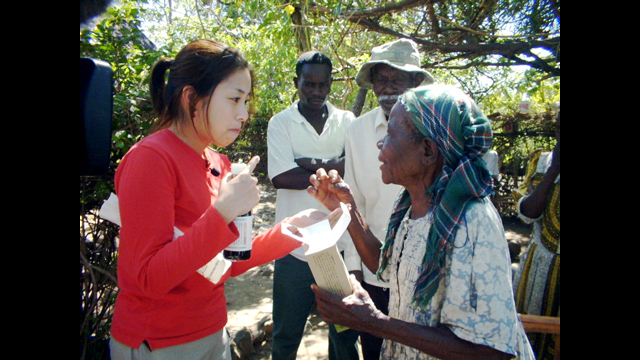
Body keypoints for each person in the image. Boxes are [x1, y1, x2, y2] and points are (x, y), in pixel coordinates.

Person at [109, 39, 332, 360]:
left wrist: (291, 230)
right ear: (191, 98)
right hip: (156, 342)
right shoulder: (151, 159)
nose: (243, 115)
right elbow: (148, 279)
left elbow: (222, 266)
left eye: (246, 101)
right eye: (234, 99)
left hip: (213, 331)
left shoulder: (218, 163)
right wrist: (222, 212)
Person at [308, 84, 535, 359]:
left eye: (390, 134)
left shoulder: (472, 221)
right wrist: (349, 210)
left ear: (427, 150)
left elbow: (491, 352)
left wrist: (373, 322)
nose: (381, 146)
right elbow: (390, 268)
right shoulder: (411, 203)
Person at [344, 38, 435, 360]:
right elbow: (351, 201)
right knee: (375, 351)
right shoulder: (357, 130)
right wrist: (354, 273)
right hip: (375, 271)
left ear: (415, 82)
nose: (388, 87)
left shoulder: (437, 128)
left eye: (397, 78)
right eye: (381, 79)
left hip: (427, 272)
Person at [266, 51, 359, 360]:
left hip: (340, 246)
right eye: (309, 84)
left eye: (323, 85)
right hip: (294, 247)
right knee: (286, 335)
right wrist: (333, 166)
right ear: (297, 83)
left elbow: (357, 165)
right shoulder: (281, 123)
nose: (317, 92)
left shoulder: (348, 121)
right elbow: (280, 176)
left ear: (330, 84)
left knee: (345, 337)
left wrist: (307, 164)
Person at [512, 110, 560, 360]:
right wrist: (553, 171)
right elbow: (527, 214)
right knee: (532, 336)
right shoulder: (542, 162)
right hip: (540, 268)